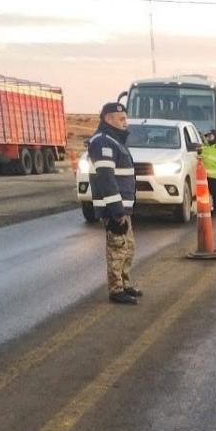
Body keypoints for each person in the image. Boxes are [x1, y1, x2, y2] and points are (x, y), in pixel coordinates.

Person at [87, 101, 139, 305]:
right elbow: (106, 178)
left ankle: (126, 283)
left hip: (123, 207)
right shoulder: (102, 142)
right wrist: (116, 210)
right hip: (114, 208)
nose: (126, 123)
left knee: (128, 247)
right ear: (108, 119)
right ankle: (116, 289)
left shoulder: (115, 141)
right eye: (122, 119)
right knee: (117, 248)